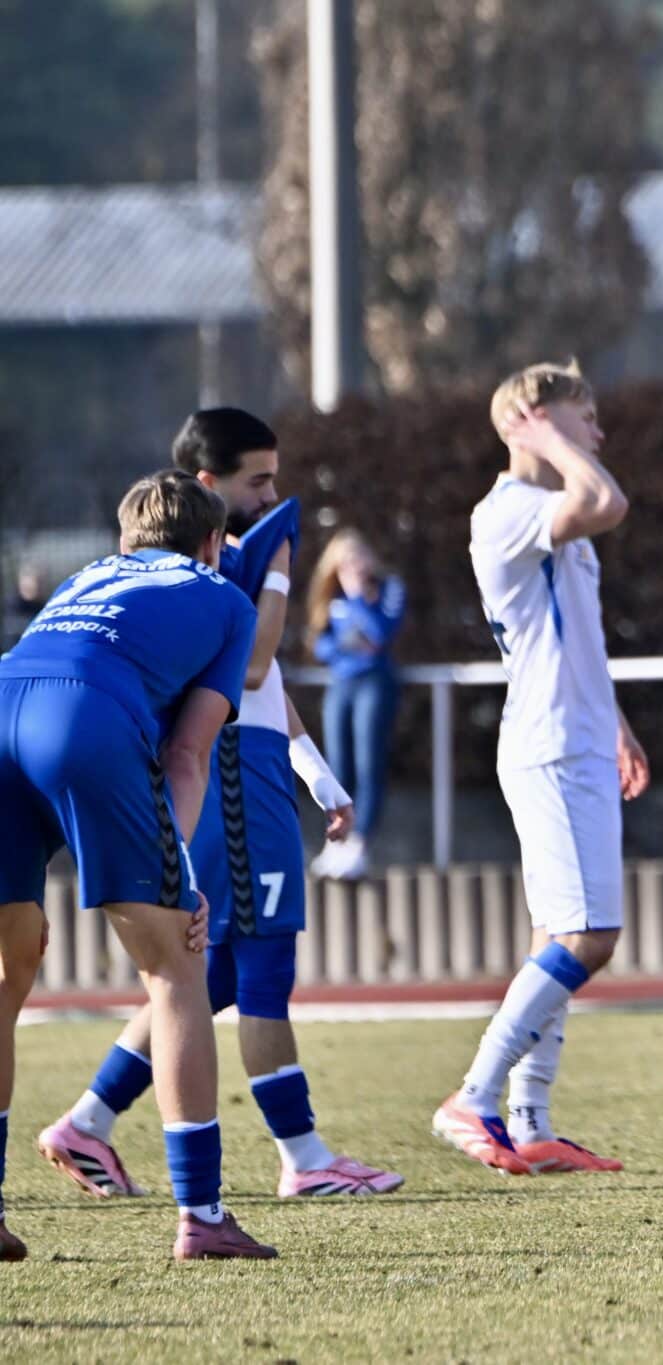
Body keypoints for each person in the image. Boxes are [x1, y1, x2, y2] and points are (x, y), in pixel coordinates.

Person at [38, 409, 397, 1204]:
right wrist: (275, 573)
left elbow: (258, 684)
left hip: (251, 764)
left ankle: (88, 1119)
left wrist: (314, 769)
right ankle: (305, 1157)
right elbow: (257, 658)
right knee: (262, 962)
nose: (274, 493)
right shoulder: (221, 568)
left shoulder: (216, 564)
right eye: (257, 480)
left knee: (213, 975)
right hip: (232, 776)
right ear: (209, 487)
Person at [1, 470, 273, 1260]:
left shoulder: (86, 574)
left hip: (4, 695)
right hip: (81, 713)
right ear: (214, 544)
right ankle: (203, 1215)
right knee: (178, 966)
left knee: (2, 974)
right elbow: (186, 755)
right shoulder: (227, 597)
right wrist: (183, 878)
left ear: (125, 542)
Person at [434, 361, 649, 1176]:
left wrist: (618, 723)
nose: (595, 431)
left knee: (557, 931)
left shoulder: (549, 509)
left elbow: (574, 640)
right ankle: (475, 1094)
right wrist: (554, 441)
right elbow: (607, 500)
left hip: (583, 739)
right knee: (590, 936)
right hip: (551, 747)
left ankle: (529, 1117)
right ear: (532, 417)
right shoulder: (508, 510)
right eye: (581, 415)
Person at [307, 530, 405, 880]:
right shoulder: (331, 594)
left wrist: (359, 599)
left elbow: (381, 634)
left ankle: (359, 842)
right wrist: (350, 645)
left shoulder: (387, 587)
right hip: (341, 684)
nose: (352, 568)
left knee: (368, 764)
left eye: (357, 559)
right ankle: (336, 840)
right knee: (337, 767)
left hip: (374, 684)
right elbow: (321, 644)